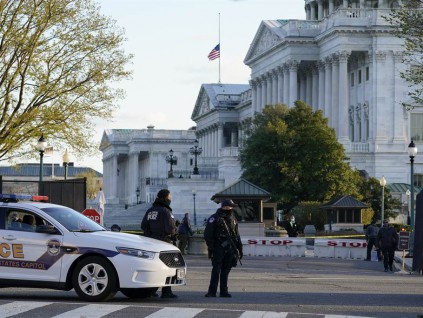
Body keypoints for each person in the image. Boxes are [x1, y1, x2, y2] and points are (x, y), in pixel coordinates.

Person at [141, 189, 178, 298]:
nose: (170, 198)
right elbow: (171, 228)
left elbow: (143, 225)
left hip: (150, 242)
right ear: (166, 197)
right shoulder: (166, 211)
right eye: (169, 196)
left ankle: (150, 291)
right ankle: (167, 291)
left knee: (153, 267)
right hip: (164, 242)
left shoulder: (150, 210)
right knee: (168, 267)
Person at [204, 199, 243, 298]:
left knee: (226, 270)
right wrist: (212, 247)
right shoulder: (214, 218)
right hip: (218, 247)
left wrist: (240, 248)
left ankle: (224, 291)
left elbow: (236, 234)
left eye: (232, 207)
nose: (232, 208)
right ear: (225, 207)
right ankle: (212, 291)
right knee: (216, 270)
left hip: (230, 247)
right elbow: (208, 234)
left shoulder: (233, 218)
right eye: (230, 206)